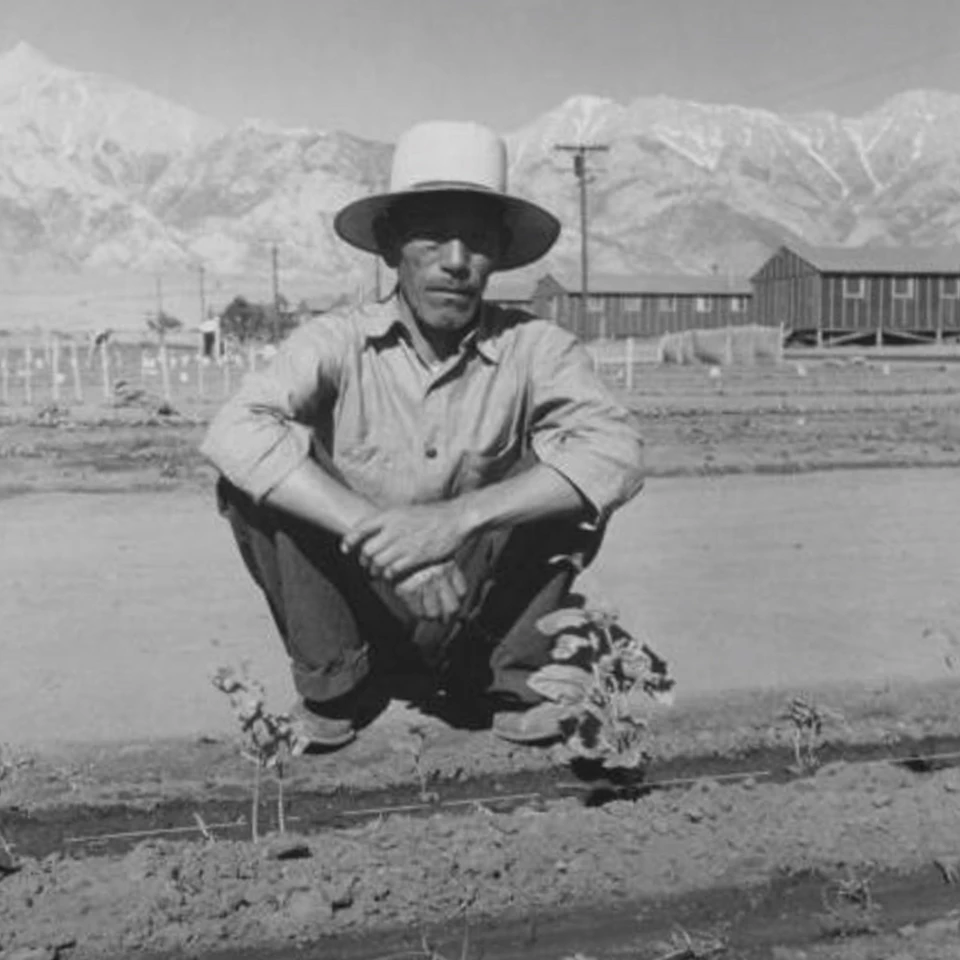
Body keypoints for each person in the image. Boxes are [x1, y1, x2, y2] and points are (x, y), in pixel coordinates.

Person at [200, 120, 644, 752]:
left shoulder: (538, 348)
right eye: (433, 236)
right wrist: (384, 534)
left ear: (499, 253)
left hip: (477, 609)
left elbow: (618, 454)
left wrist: (457, 521)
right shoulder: (336, 341)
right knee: (256, 478)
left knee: (574, 475)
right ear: (389, 245)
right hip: (363, 605)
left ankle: (508, 679)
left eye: (478, 241)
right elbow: (233, 431)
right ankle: (338, 686)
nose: (456, 263)